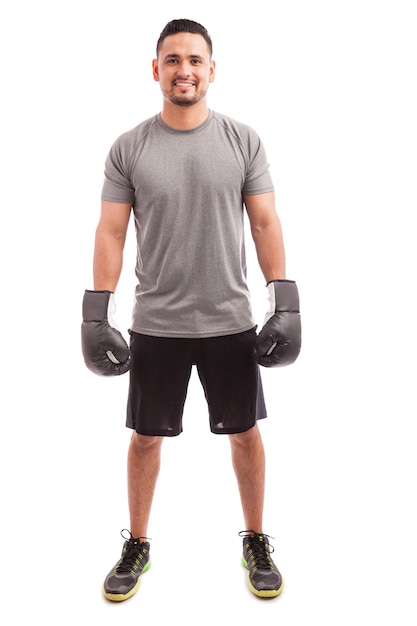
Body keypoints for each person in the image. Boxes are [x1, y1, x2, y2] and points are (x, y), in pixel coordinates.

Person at [81, 18, 301, 601]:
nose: (184, 70)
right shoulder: (129, 147)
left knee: (246, 433)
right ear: (156, 70)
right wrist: (95, 315)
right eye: (173, 60)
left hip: (230, 320)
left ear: (211, 69)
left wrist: (287, 301)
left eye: (195, 60)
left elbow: (264, 221)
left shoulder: (243, 140)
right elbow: (110, 232)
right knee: (145, 439)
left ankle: (255, 539)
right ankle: (137, 545)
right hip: (156, 323)